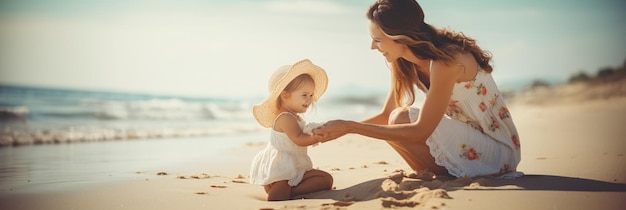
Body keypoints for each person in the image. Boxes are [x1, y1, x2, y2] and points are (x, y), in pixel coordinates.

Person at [313, 0, 522, 178]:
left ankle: (446, 175)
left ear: (400, 37)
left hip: (499, 151)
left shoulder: (447, 61)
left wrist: (350, 127)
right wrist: (333, 131)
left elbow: (421, 130)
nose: (372, 47)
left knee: (401, 119)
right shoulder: (402, 61)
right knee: (394, 119)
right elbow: (385, 115)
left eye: (377, 40)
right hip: (468, 140)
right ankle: (438, 174)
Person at [249, 59, 334, 201]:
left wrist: (317, 131)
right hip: (281, 169)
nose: (309, 100)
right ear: (285, 95)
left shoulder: (297, 117)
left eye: (311, 95)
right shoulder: (285, 117)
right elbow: (299, 139)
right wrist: (317, 137)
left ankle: (293, 191)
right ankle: (282, 194)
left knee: (325, 179)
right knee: (283, 188)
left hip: (295, 166)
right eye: (304, 95)